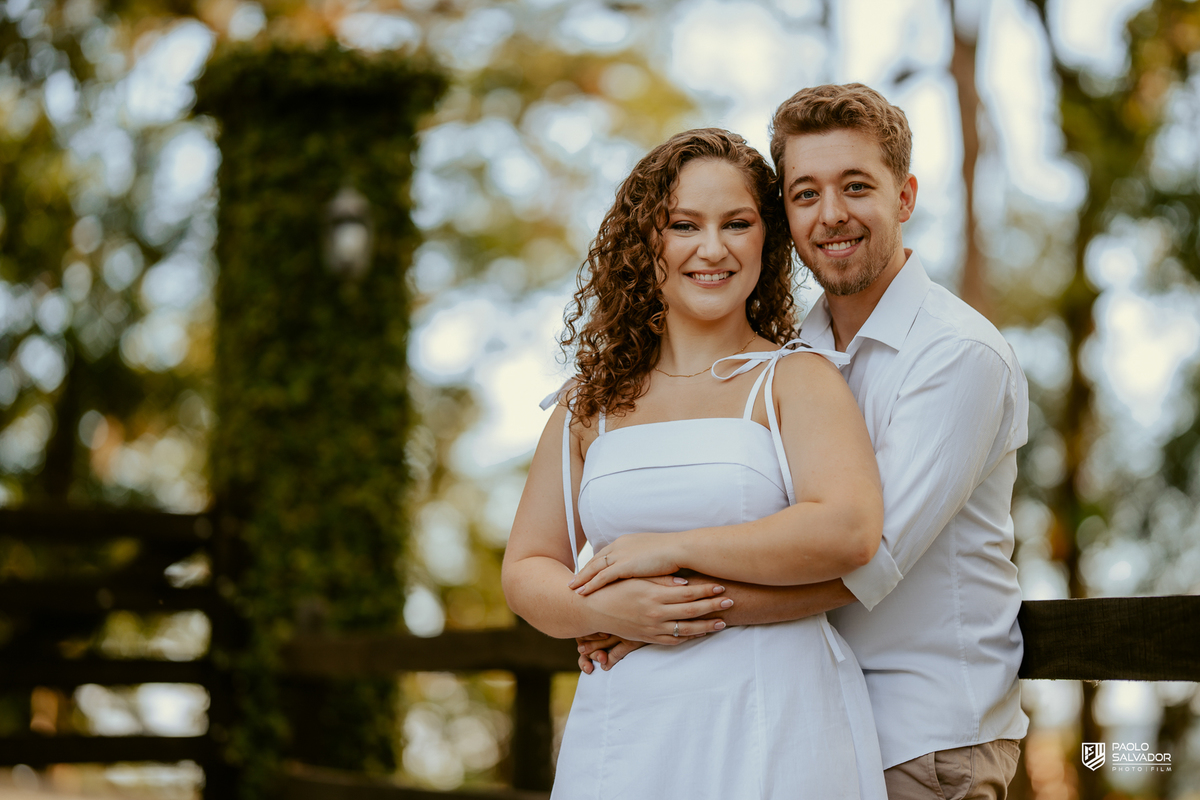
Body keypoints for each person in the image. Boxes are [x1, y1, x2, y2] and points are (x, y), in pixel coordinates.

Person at [575, 85, 1030, 800]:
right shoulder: (794, 357)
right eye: (806, 193)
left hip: (925, 740)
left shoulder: (957, 356)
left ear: (904, 197)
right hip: (806, 725)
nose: (832, 215)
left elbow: (864, 561)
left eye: (856, 186)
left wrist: (657, 612)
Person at [501, 128, 888, 799]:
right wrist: (615, 611)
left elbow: (848, 530)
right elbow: (527, 566)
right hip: (626, 732)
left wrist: (665, 552)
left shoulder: (797, 379)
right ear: (645, 243)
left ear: (764, 241)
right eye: (684, 224)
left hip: (776, 719)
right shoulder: (586, 404)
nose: (713, 249)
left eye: (736, 224)